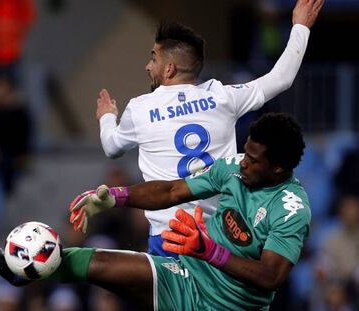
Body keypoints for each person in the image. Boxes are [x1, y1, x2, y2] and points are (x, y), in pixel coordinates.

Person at [0, 112, 311, 310]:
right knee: (100, 262)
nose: (244, 162)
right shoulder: (232, 167)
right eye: (245, 152)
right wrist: (115, 196)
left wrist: (210, 251)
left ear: (279, 168)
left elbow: (271, 277)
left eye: (253, 160)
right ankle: (22, 272)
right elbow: (172, 190)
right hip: (186, 277)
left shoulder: (291, 209)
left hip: (230, 305)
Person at [94, 0, 323, 256]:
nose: (148, 66)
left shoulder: (139, 109)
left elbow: (111, 147)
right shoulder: (221, 96)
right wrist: (301, 26)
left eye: (153, 58)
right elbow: (282, 78)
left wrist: (107, 116)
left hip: (169, 235)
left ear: (169, 68)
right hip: (220, 236)